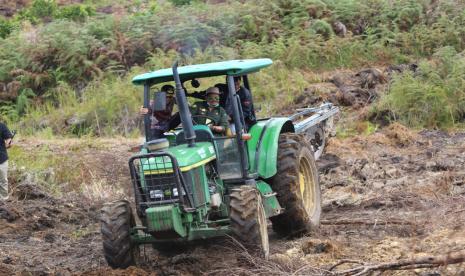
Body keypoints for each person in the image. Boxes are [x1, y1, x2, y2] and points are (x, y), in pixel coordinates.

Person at [0, 122, 13, 200]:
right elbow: (9, 142)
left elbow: (9, 141)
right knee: (3, 181)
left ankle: (4, 201)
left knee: (3, 181)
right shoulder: (2, 126)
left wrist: (8, 143)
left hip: (2, 159)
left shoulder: (2, 126)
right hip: (2, 158)